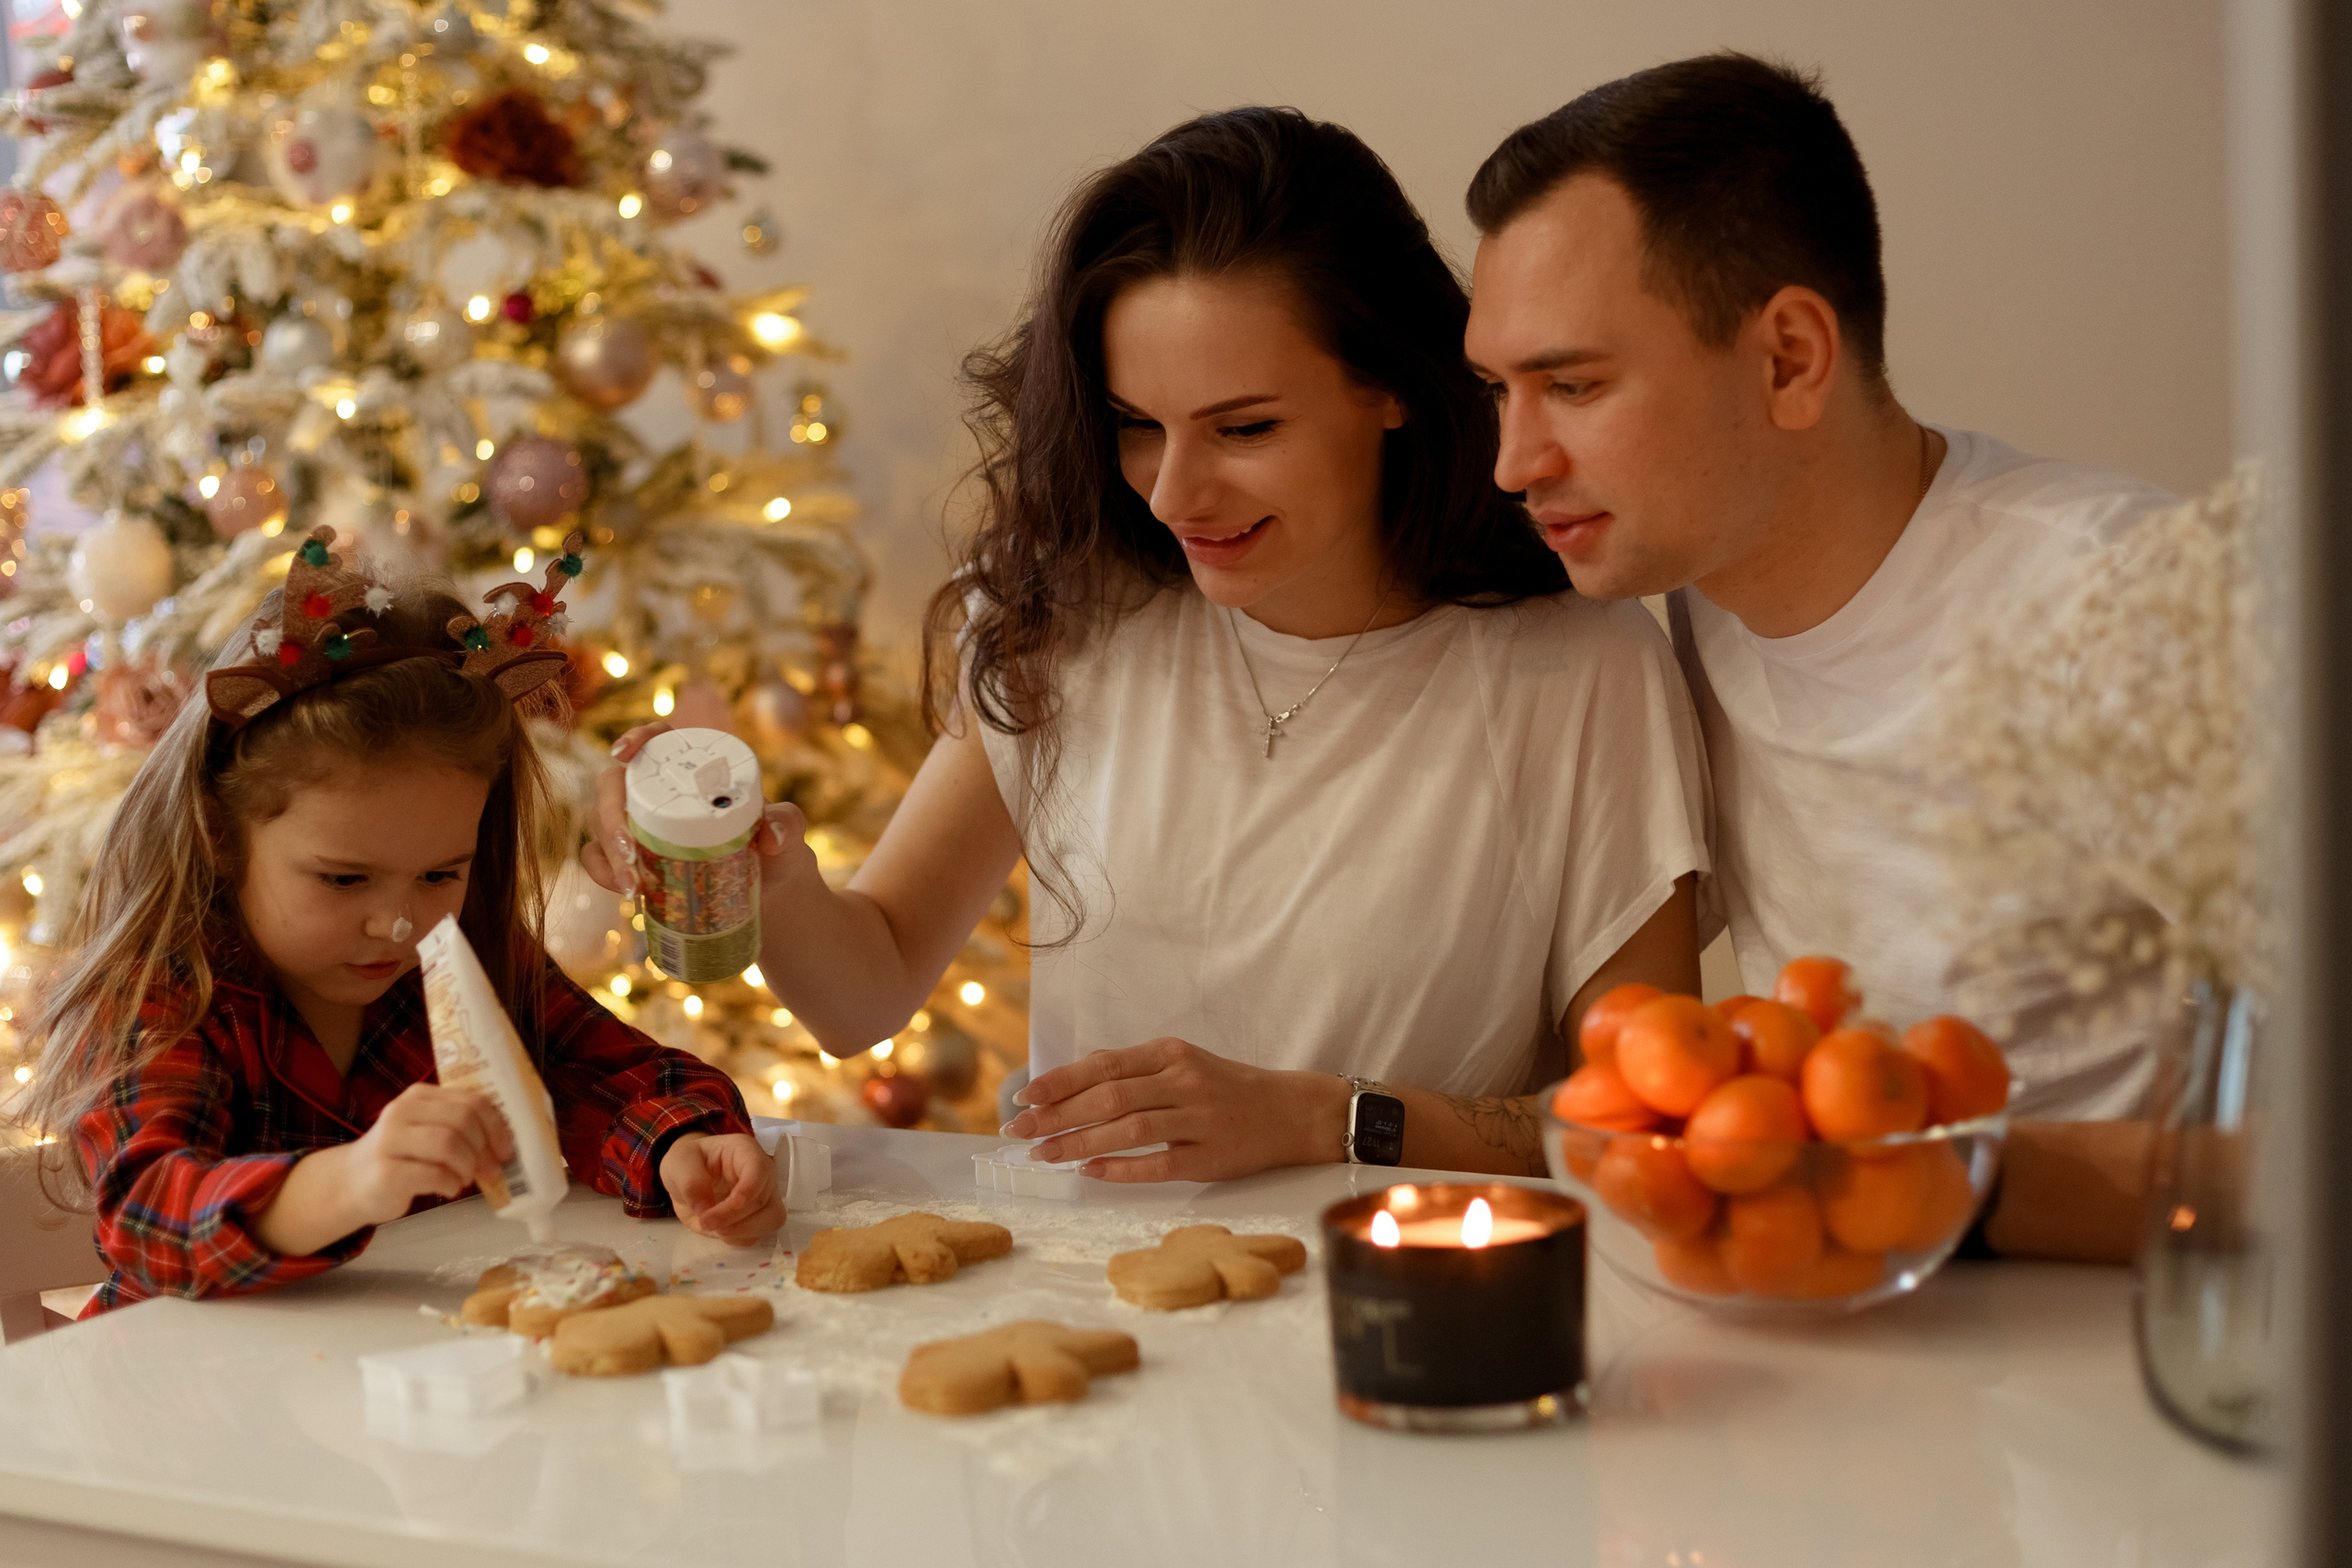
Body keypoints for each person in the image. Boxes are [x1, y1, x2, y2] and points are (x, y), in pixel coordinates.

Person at [584, 107, 1712, 1181]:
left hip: (1406, 1313)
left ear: (1389, 389)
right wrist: (762, 878)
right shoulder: (1072, 625)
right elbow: (861, 994)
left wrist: (1322, 1117)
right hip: (1100, 1308)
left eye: (1244, 427)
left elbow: (1640, 1119)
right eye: (1136, 427)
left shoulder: (1582, 670)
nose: (1176, 492)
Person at [1461, 53, 2168, 1255]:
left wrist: (1929, 1179)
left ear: (1790, 357)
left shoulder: (2130, 603)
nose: (1514, 462)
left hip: (2109, 1380)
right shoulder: (1685, 599)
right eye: (1498, 391)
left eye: (1572, 385)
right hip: (1814, 1338)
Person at [12, 534, 782, 1313]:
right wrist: (354, 1180)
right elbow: (152, 1217)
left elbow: (605, 1079)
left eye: (440, 873)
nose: (397, 922)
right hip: (190, 1405)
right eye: (344, 878)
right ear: (220, 834)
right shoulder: (165, 994)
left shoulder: (459, 956)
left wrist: (682, 1145)